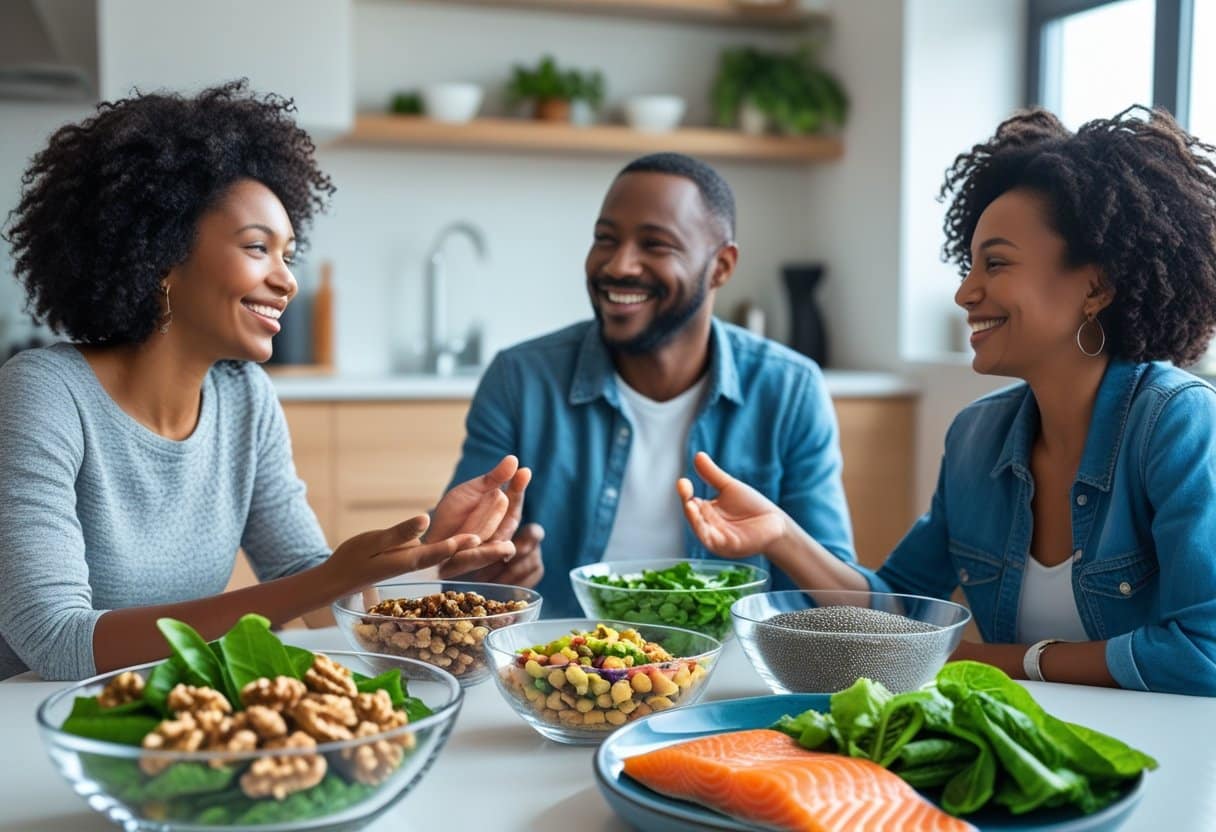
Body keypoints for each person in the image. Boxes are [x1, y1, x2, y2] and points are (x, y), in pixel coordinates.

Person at [0, 81, 529, 681]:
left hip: (172, 717)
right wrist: (328, 578)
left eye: (288, 255)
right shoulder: (44, 394)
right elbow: (55, 642)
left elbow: (307, 580)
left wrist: (426, 556)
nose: (287, 281)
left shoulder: (244, 398)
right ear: (161, 257)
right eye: (258, 248)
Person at [680, 107, 1216, 695]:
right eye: (969, 265)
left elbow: (1202, 652)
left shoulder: (1178, 424)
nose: (965, 292)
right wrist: (780, 533)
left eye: (997, 263)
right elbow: (896, 615)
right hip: (1023, 747)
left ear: (1096, 287)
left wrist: (994, 662)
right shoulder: (976, 438)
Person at [442, 152, 857, 616]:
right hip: (561, 670)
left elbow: (841, 601)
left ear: (721, 266)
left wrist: (780, 535)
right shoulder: (520, 379)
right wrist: (486, 575)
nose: (619, 265)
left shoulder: (789, 390)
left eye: (655, 245)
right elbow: (456, 570)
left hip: (731, 672)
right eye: (605, 239)